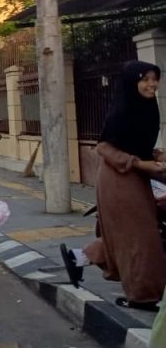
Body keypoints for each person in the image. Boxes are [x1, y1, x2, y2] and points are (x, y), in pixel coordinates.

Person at [61, 60, 166, 312]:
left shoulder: (148, 108)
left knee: (130, 235)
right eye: (145, 79)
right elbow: (105, 146)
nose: (151, 84)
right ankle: (143, 297)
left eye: (154, 78)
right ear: (132, 82)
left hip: (136, 177)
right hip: (118, 179)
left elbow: (135, 144)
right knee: (141, 237)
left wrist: (156, 155)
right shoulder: (121, 111)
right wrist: (141, 164)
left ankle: (80, 257)